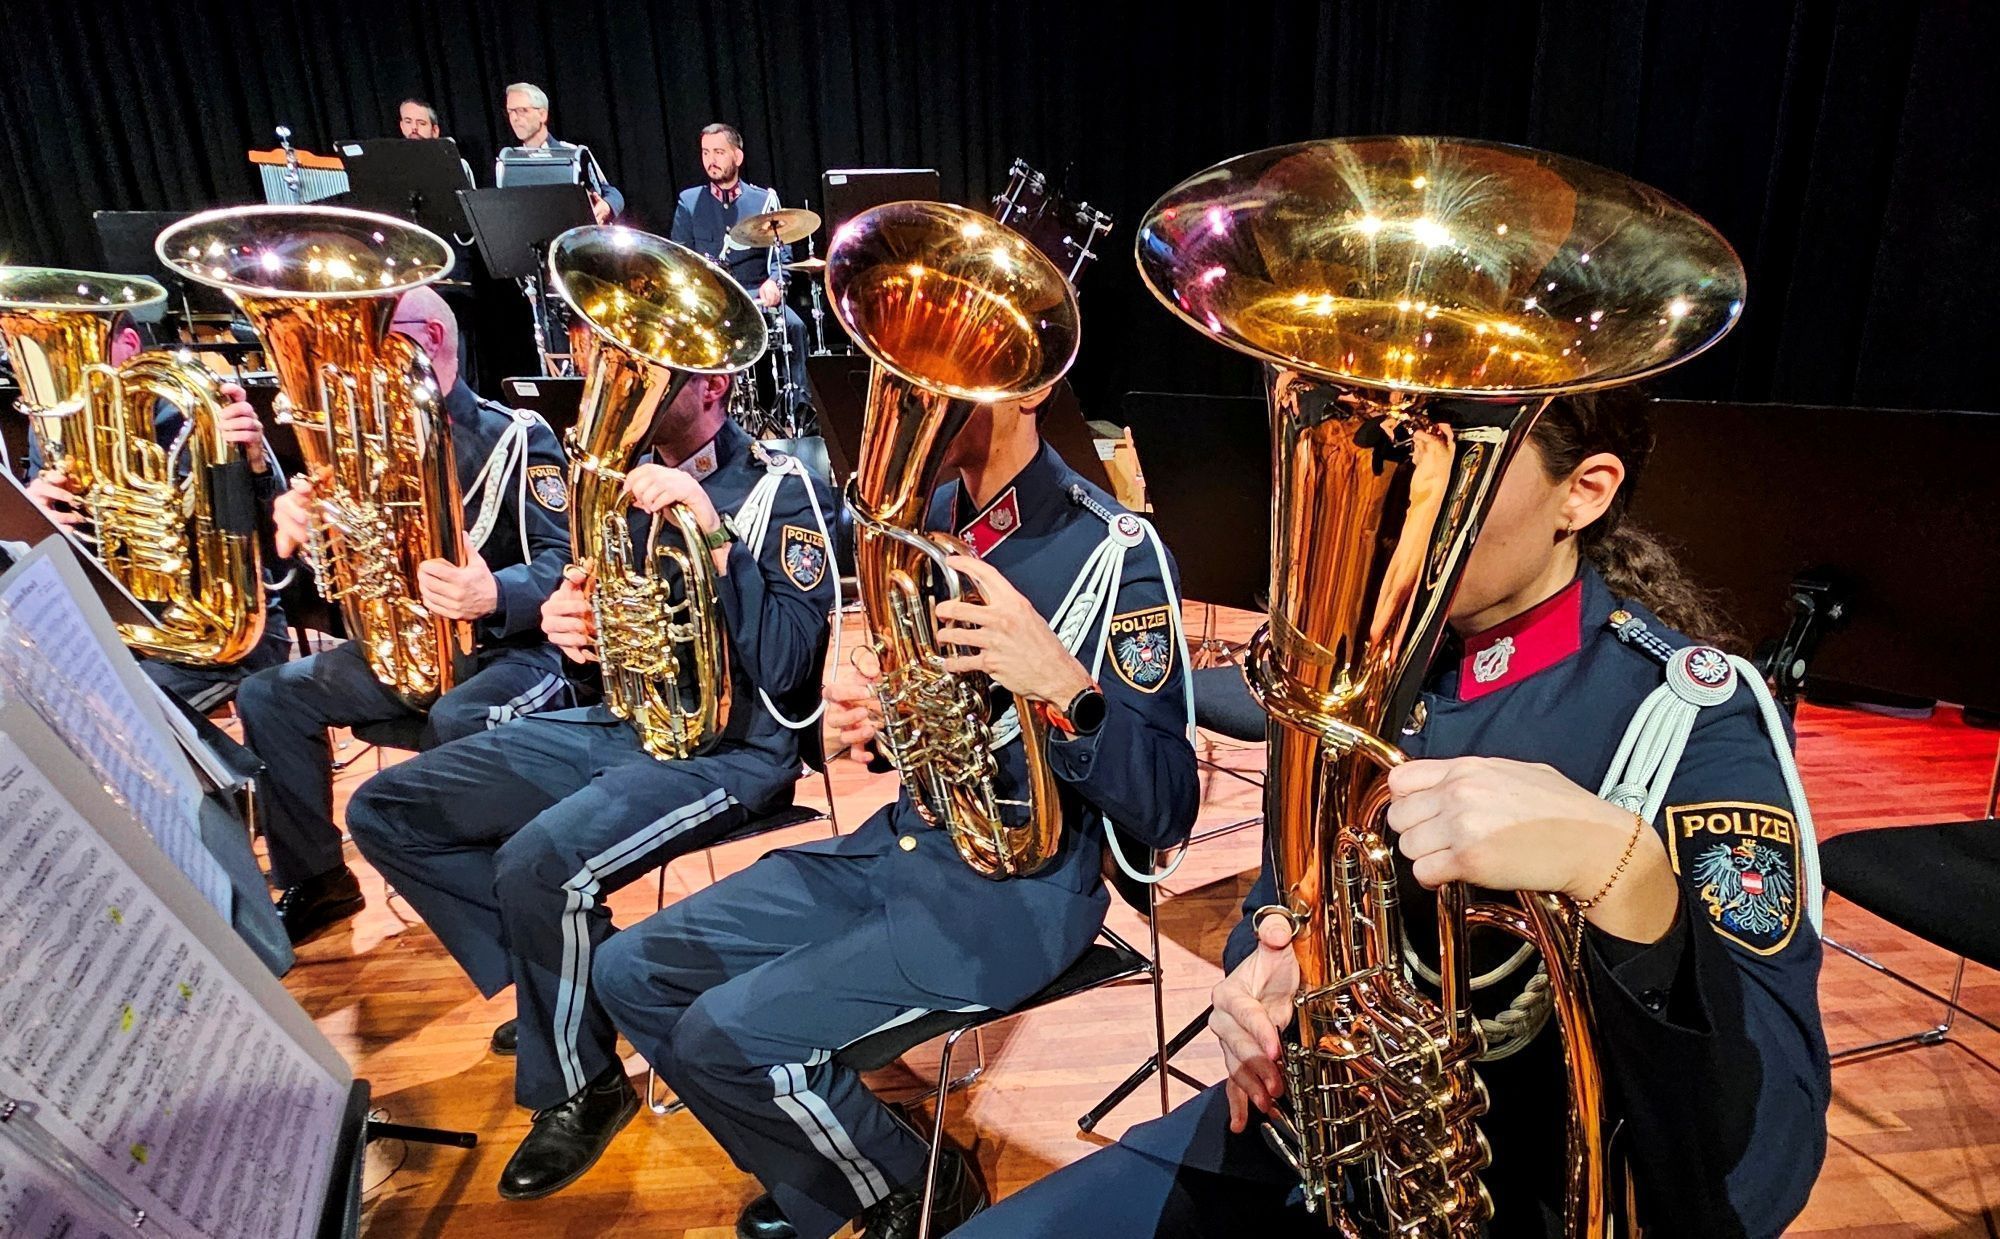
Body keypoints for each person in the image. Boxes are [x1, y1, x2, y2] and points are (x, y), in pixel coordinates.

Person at [952, 389, 1832, 1239]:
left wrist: (1627, 876)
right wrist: (1263, 975)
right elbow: (1279, 898)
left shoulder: (1685, 718)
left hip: (1518, 1196)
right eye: (1387, 450)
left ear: (1584, 492)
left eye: (1451, 459)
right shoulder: (1356, 670)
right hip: (1308, 1138)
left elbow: (1759, 1178)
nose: (1389, 501)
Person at [591, 393, 1201, 1239]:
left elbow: (1168, 809)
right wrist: (889, 720)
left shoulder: (1113, 548)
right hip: (903, 845)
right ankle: (840, 1159)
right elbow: (929, 730)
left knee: (719, 1039)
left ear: (1027, 387)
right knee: (628, 969)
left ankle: (918, 1185)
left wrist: (1065, 686)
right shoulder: (926, 519)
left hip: (1015, 897)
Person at [344, 364, 837, 1199]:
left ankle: (583, 1084)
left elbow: (791, 669)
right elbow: (599, 639)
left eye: (662, 378)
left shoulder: (781, 489)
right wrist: (573, 627)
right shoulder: (616, 488)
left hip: (731, 750)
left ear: (714, 387)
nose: (629, 386)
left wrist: (713, 531)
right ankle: (561, 991)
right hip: (627, 722)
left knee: (539, 862)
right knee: (387, 808)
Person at [236, 286, 571, 945]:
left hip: (514, 651)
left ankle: (483, 902)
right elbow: (347, 580)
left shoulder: (515, 435)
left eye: (375, 328)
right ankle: (319, 878)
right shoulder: (356, 443)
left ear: (432, 338)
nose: (350, 354)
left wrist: (495, 593)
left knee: (459, 716)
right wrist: (309, 534)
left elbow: (566, 559)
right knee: (268, 695)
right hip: (410, 649)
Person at [23, 319, 292, 712]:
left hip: (214, 636)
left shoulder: (203, 412)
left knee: (114, 712)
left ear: (131, 344)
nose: (64, 372)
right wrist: (34, 517)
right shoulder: (53, 428)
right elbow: (44, 548)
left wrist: (252, 463)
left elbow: (278, 555)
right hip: (111, 627)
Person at [671, 123, 809, 404]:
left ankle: (799, 410)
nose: (711, 160)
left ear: (738, 156)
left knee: (795, 326)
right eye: (705, 152)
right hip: (711, 299)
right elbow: (680, 259)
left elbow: (781, 256)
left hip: (756, 295)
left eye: (719, 152)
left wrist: (775, 282)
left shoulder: (763, 200)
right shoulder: (689, 201)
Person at [497, 82, 622, 223]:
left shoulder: (573, 154)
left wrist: (606, 206)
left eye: (522, 110)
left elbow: (612, 194)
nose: (514, 118)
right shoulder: (508, 163)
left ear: (542, 115)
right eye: (510, 111)